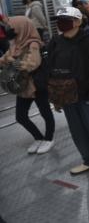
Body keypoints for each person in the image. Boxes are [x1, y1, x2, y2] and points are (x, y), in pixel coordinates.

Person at [47, 7, 89, 181]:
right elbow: (51, 70)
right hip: (67, 96)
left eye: (66, 19)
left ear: (78, 21)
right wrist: (55, 97)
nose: (61, 23)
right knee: (78, 131)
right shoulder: (55, 42)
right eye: (59, 19)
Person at [0, 16, 55, 154]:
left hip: (36, 85)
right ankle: (38, 137)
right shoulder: (15, 43)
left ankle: (48, 139)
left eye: (11, 27)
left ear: (21, 27)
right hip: (22, 87)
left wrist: (13, 62)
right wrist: (6, 59)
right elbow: (4, 58)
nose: (9, 30)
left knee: (45, 112)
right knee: (20, 116)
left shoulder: (33, 44)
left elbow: (32, 64)